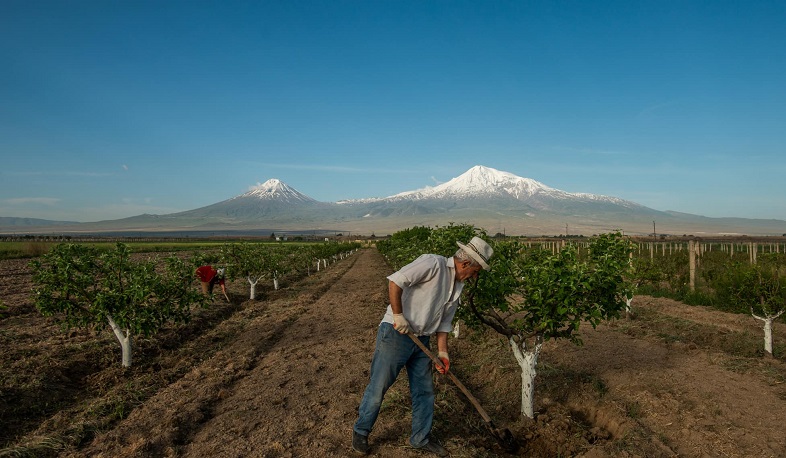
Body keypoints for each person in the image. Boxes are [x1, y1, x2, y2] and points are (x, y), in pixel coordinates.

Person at [352, 236, 494, 456]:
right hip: (397, 334)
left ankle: (420, 438)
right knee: (379, 385)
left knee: (424, 391)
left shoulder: (458, 287)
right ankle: (361, 431)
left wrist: (443, 352)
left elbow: (445, 323)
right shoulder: (432, 264)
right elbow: (396, 281)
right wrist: (398, 316)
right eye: (475, 272)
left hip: (422, 341)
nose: (474, 277)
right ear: (466, 263)